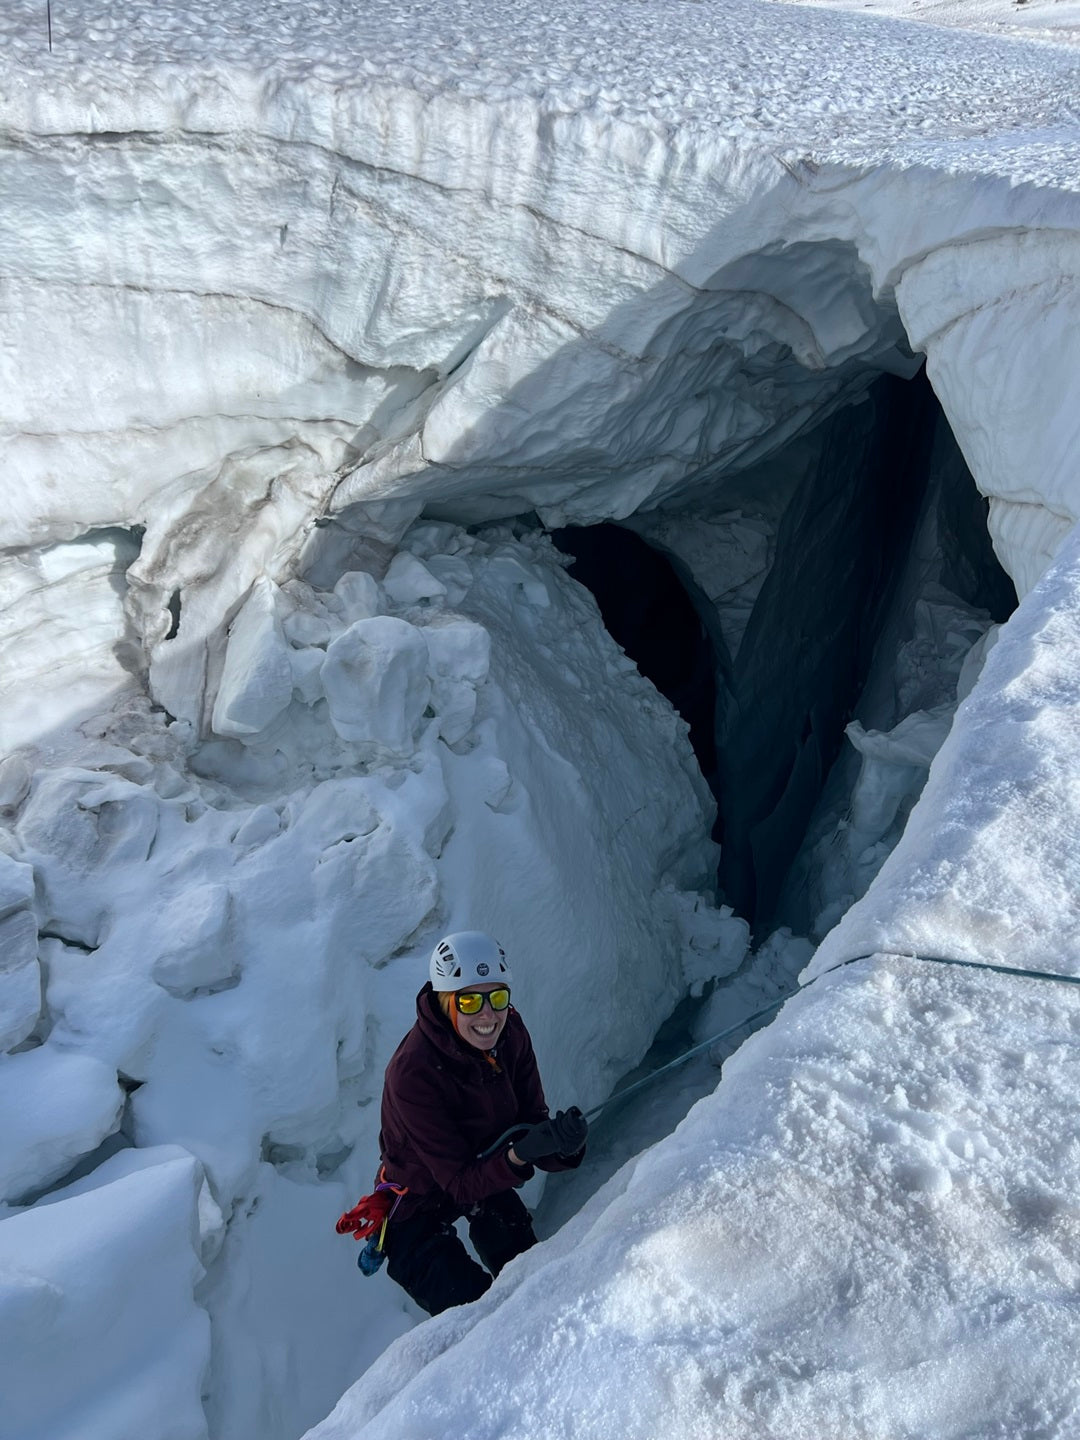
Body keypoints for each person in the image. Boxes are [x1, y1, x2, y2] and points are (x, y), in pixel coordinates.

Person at [377, 931, 589, 1315]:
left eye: (498, 997)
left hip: (484, 1174)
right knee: (477, 1317)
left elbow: (531, 1125)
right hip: (419, 1204)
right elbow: (458, 1182)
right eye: (470, 1000)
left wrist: (564, 1146)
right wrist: (519, 1156)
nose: (488, 1015)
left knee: (533, 1283)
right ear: (445, 1002)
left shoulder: (511, 1034)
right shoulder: (413, 1073)